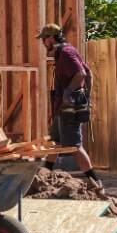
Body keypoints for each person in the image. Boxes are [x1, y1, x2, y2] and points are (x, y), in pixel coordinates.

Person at [37, 23, 103, 192]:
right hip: (62, 107)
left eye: (44, 39)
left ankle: (96, 182)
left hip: (69, 109)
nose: (43, 43)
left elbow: (81, 74)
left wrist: (69, 93)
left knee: (75, 146)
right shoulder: (63, 52)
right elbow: (88, 74)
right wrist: (86, 96)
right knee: (55, 142)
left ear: (51, 38)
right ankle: (44, 176)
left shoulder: (66, 53)